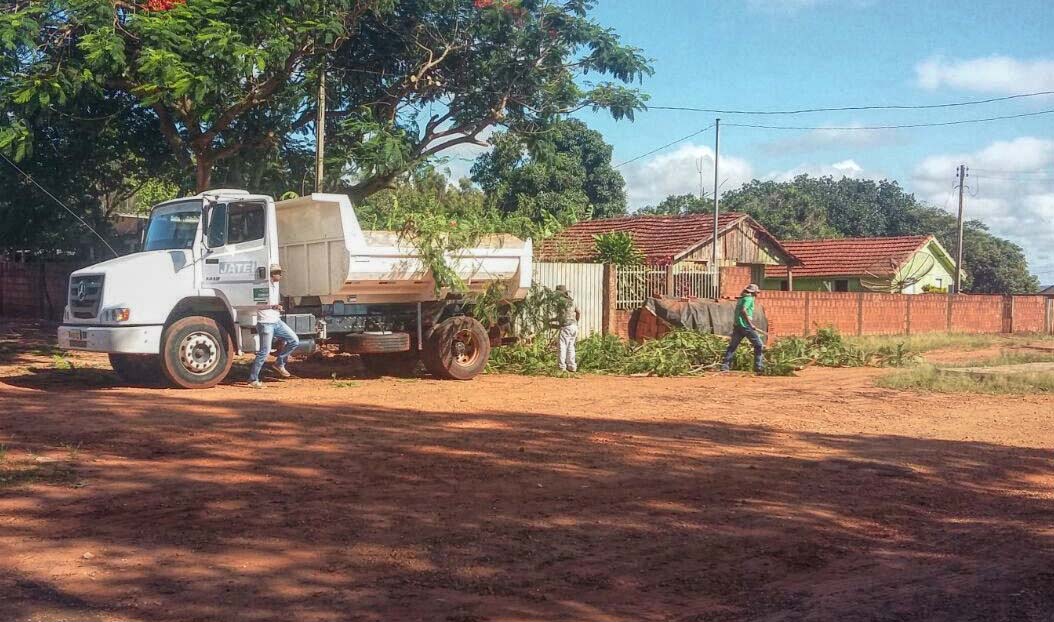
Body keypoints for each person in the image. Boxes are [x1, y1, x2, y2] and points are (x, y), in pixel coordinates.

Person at [249, 265, 300, 388]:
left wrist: (276, 307)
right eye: (278, 273)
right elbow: (257, 303)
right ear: (272, 274)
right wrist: (273, 306)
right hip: (265, 323)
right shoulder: (262, 287)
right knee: (264, 352)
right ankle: (253, 379)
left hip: (276, 321)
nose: (280, 275)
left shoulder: (275, 286)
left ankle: (279, 363)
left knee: (294, 340)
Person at [721, 283, 765, 373]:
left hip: (738, 326)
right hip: (745, 326)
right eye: (757, 292)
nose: (758, 294)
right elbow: (743, 310)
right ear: (753, 292)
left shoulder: (741, 299)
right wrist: (750, 324)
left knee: (732, 346)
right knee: (759, 345)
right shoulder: (749, 298)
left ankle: (725, 366)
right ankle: (758, 367)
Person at [553, 285, 580, 373]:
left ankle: (561, 367)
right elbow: (578, 312)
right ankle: (572, 366)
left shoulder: (561, 303)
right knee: (571, 346)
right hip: (574, 326)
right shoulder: (572, 301)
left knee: (562, 346)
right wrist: (576, 321)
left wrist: (550, 321)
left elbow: (561, 317)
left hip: (566, 327)